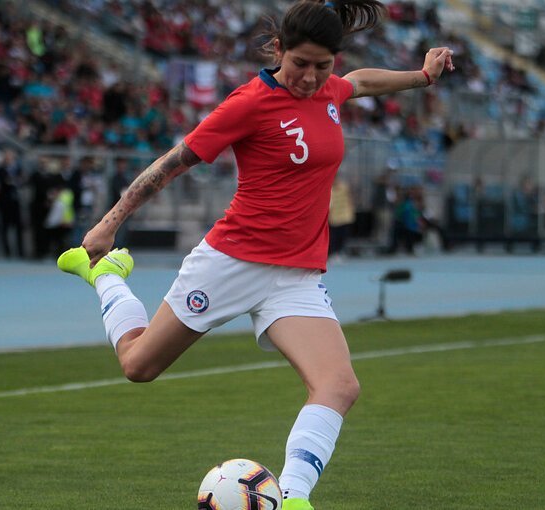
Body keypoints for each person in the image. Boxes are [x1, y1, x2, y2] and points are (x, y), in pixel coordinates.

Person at [56, 2, 454, 509]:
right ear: (278, 51)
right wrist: (110, 222)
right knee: (138, 365)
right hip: (230, 262)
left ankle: (292, 499)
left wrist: (422, 76)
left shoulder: (332, 88)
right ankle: (107, 277)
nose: (310, 78)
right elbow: (174, 163)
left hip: (296, 277)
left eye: (322, 66)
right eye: (300, 64)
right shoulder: (247, 103)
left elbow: (362, 82)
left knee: (338, 385)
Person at [328, 175, 355, 261]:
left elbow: (350, 199)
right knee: (333, 237)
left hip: (344, 215)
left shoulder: (344, 187)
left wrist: (351, 210)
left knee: (343, 236)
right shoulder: (329, 189)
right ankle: (333, 253)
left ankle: (340, 252)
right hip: (334, 217)